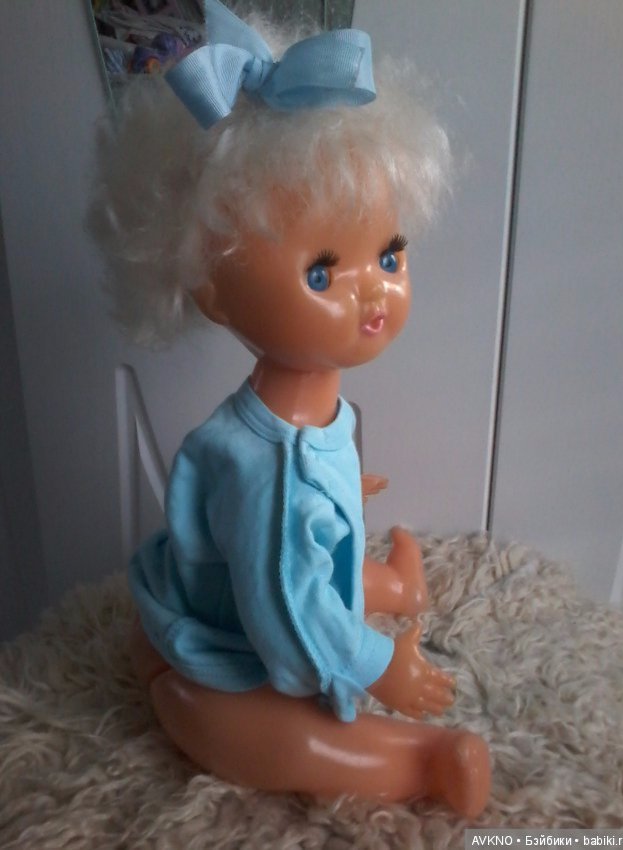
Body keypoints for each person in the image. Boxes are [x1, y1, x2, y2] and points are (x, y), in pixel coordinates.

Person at [90, 0, 491, 817]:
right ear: (210, 289)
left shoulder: (303, 424)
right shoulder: (272, 468)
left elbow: (295, 545)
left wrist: (336, 496)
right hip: (220, 639)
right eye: (322, 273)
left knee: (310, 563)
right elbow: (289, 619)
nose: (373, 292)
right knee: (232, 724)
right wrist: (379, 668)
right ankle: (423, 762)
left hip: (250, 571)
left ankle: (393, 586)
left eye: (389, 255)